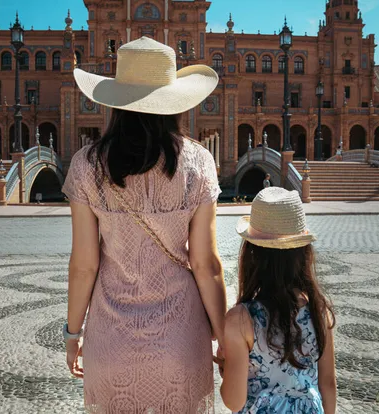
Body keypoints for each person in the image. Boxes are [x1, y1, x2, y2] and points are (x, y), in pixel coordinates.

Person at [63, 36, 227, 413]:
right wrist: (222, 335)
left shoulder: (87, 166)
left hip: (110, 341)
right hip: (182, 339)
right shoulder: (198, 164)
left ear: (116, 101)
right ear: (174, 102)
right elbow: (206, 265)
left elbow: (84, 266)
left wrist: (73, 333)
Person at [219, 187, 337, 414]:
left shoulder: (241, 319)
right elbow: (328, 385)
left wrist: (229, 370)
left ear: (251, 255)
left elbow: (234, 401)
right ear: (304, 254)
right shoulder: (319, 311)